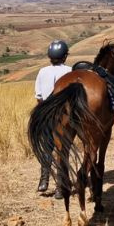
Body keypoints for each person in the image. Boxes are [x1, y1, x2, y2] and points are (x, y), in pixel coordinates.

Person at [35, 39, 72, 196]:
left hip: (46, 115)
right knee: (62, 151)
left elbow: (39, 97)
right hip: (65, 115)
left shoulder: (42, 72)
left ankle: (44, 181)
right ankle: (60, 188)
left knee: (47, 148)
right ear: (64, 56)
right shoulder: (70, 70)